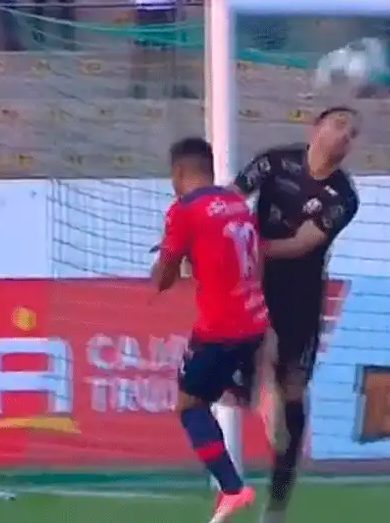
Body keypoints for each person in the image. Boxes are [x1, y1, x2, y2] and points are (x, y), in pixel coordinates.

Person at [231, 106, 360, 523]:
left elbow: (302, 244)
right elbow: (232, 198)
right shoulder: (272, 163)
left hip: (300, 296)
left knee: (294, 391)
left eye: (352, 133)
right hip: (252, 285)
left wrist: (249, 247)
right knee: (253, 362)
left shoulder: (343, 196)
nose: (345, 136)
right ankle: (262, 383)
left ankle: (279, 502)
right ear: (315, 128)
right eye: (339, 124)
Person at [150, 137, 265, 523]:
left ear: (178, 173)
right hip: (254, 320)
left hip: (220, 328)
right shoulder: (237, 204)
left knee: (189, 405)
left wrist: (166, 258)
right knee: (217, 389)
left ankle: (233, 489)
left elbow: (163, 280)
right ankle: (246, 388)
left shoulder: (184, 209)